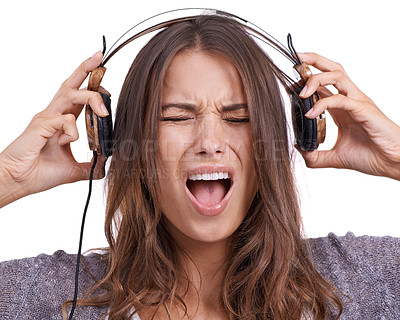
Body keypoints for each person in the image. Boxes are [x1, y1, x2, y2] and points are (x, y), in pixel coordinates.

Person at [1, 13, 400, 320]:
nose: (210, 143)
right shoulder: (54, 296)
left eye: (238, 117)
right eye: (176, 117)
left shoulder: (357, 280)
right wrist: (9, 178)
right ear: (128, 142)